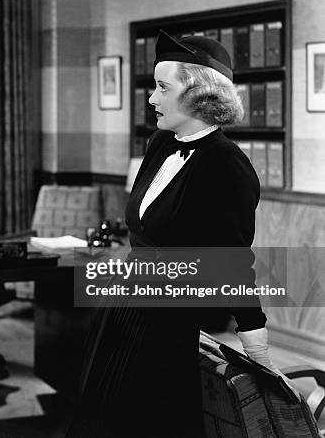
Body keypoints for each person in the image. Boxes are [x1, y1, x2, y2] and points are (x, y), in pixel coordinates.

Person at [66, 30, 296, 437]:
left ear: (200, 94)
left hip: (166, 328)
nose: (152, 99)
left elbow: (234, 264)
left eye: (161, 88)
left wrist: (257, 349)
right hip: (122, 312)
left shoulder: (228, 167)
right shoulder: (158, 143)